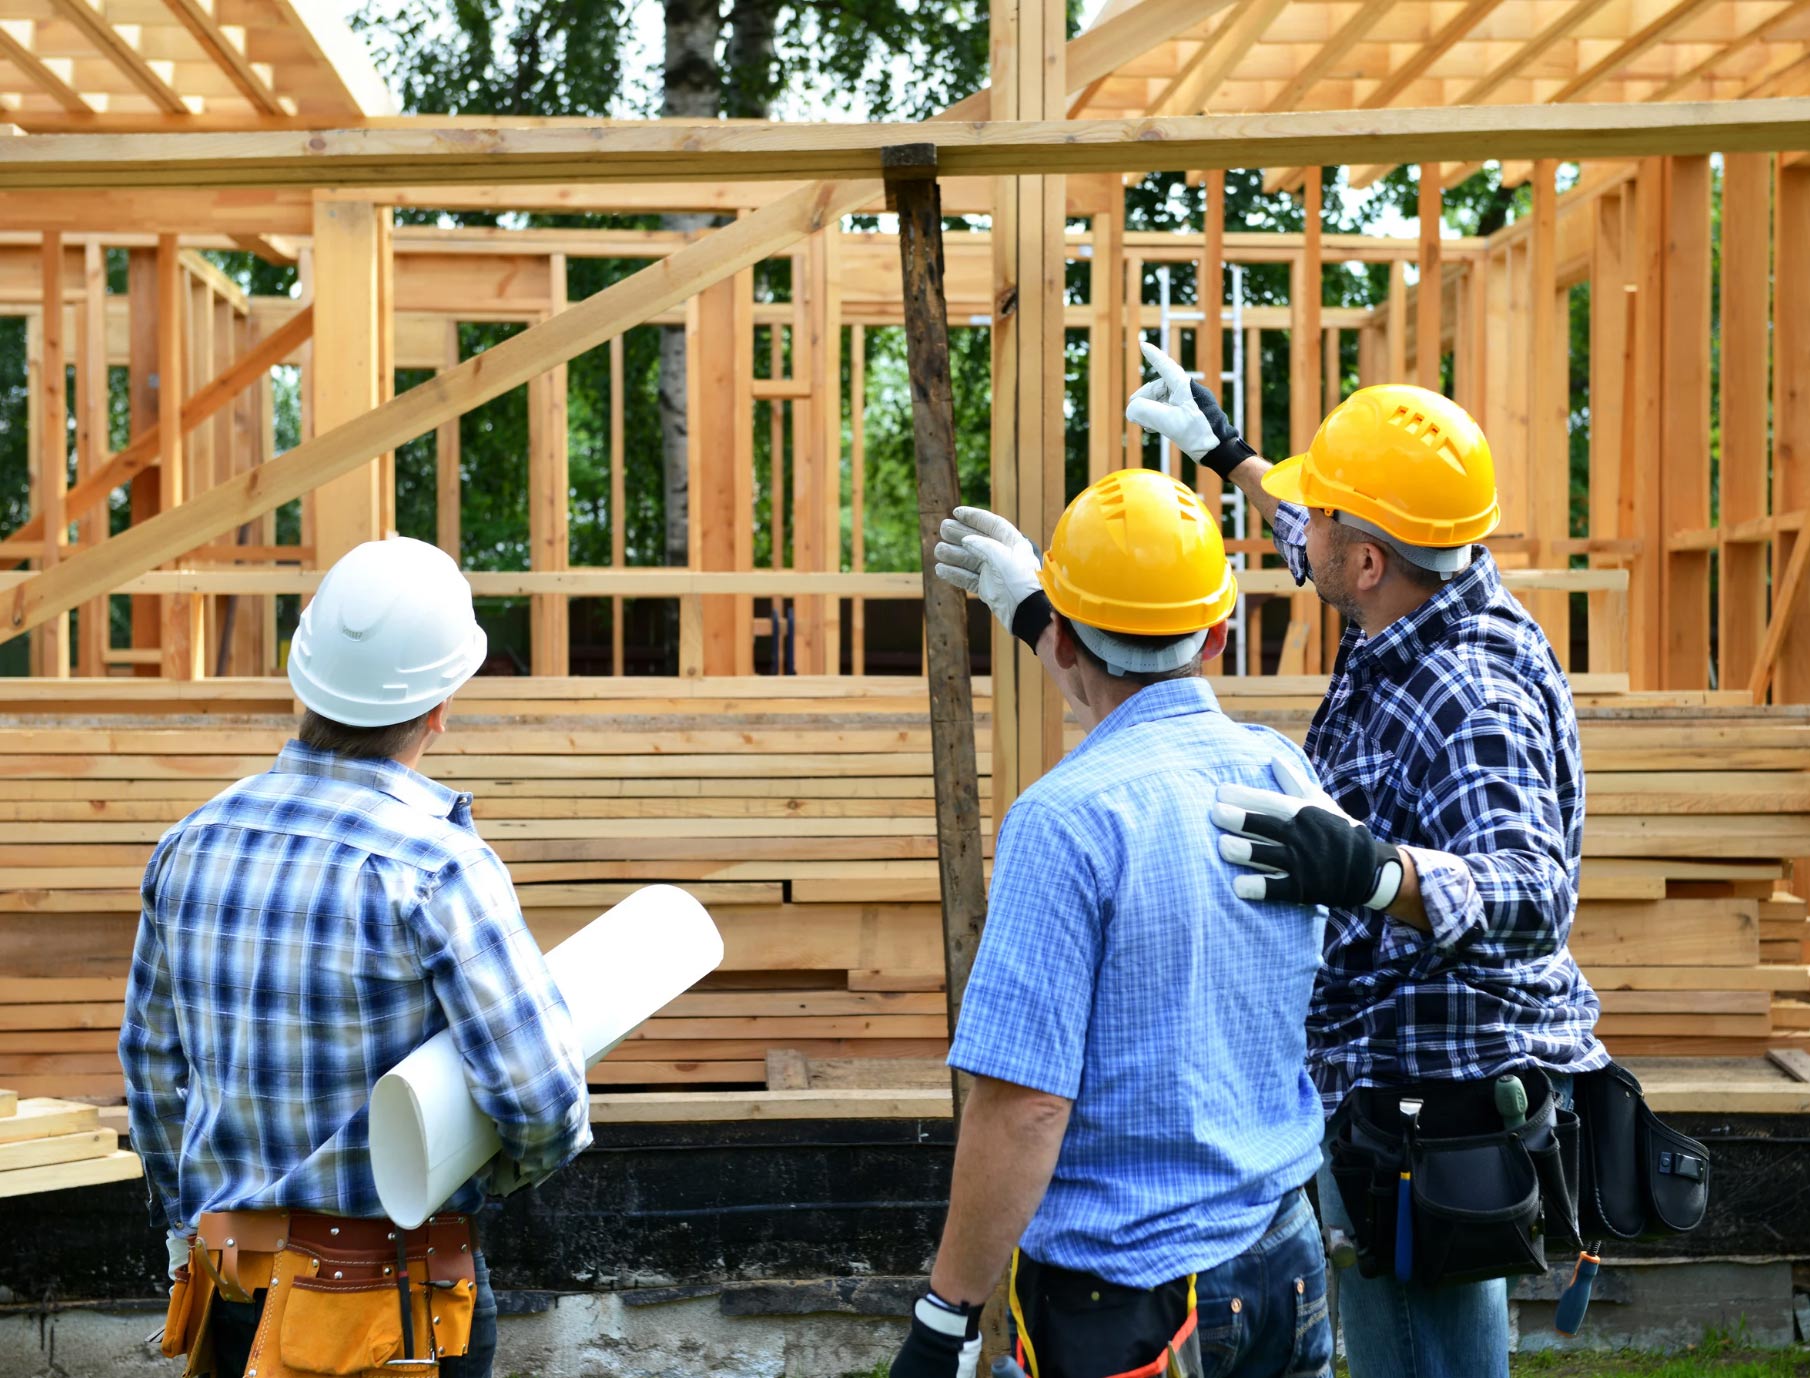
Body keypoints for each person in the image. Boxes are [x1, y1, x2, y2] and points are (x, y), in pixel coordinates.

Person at [1129, 341, 1608, 1378]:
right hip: (1379, 1078)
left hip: (1434, 1098)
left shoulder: (1470, 696)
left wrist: (1373, 874)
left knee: (1424, 1353)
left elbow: (1535, 895)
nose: (1310, 532)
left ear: (1372, 558)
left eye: (1330, 517)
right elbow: (1311, 534)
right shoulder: (1408, 589)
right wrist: (1227, 452)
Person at [889, 469, 1334, 1378]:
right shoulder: (1282, 773)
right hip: (1283, 1253)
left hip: (1133, 1302)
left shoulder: (1066, 820)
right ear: (1217, 634)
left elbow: (1024, 1108)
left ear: (1058, 633)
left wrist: (947, 1316)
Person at [121, 536, 592, 1378]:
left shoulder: (188, 844)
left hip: (232, 1294)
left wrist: (192, 1216)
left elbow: (153, 1073)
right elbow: (542, 1104)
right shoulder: (437, 867)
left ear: (302, 677)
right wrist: (471, 1178)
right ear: (443, 701)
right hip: (396, 1310)